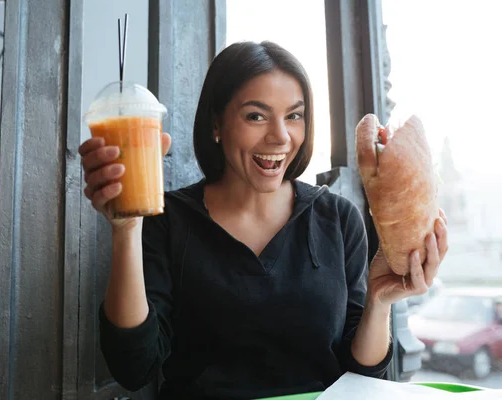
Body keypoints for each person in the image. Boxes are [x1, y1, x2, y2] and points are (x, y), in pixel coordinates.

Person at [78, 41, 448, 400]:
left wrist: (380, 301)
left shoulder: (337, 218)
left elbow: (360, 374)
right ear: (216, 124)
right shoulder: (166, 219)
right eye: (256, 115)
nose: (281, 136)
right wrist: (126, 229)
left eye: (294, 115)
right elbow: (133, 368)